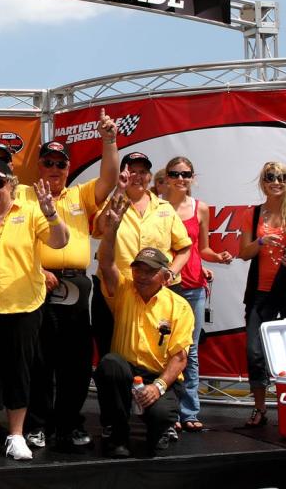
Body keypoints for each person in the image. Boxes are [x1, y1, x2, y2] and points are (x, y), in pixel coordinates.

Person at [24, 109, 119, 452]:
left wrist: (109, 140)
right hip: (38, 282)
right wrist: (37, 270)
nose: (53, 170)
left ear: (67, 168)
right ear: (39, 166)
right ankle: (36, 425)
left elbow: (110, 177)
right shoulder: (24, 195)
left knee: (77, 362)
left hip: (77, 285)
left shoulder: (80, 195)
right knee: (39, 360)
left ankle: (68, 423)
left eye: (60, 164)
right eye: (48, 163)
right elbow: (13, 240)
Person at [0, 161, 68, 461]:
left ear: (11, 184)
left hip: (21, 303)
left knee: (18, 370)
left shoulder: (31, 212)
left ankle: (16, 435)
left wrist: (51, 212)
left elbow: (60, 241)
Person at [95, 194, 193, 458]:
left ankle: (160, 429)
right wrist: (112, 229)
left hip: (156, 375)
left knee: (161, 416)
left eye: (149, 271)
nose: (141, 276)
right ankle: (117, 434)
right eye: (137, 270)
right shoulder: (125, 289)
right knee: (109, 365)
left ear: (164, 275)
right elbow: (105, 263)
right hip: (127, 371)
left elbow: (180, 358)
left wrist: (158, 386)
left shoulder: (179, 306)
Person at [237, 161, 286, 427]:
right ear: (263, 182)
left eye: (282, 177)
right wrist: (259, 242)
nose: (276, 181)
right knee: (255, 351)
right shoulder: (252, 214)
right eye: (271, 177)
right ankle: (260, 409)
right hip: (261, 293)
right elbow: (242, 253)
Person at [91, 153, 192, 360]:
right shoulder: (113, 203)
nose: (137, 176)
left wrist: (170, 273)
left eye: (143, 172)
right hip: (116, 289)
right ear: (123, 174)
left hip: (157, 290)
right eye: (132, 171)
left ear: (150, 176)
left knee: (160, 351)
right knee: (109, 349)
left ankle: (156, 390)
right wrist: (119, 189)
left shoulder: (165, 209)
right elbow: (100, 227)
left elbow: (184, 248)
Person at [163, 157, 233, 432]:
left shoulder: (200, 208)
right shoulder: (157, 206)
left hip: (193, 287)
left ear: (193, 177)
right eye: (175, 173)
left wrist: (218, 257)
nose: (181, 178)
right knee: (163, 350)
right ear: (166, 177)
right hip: (165, 288)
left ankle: (188, 411)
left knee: (189, 352)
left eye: (185, 174)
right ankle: (167, 412)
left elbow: (202, 249)